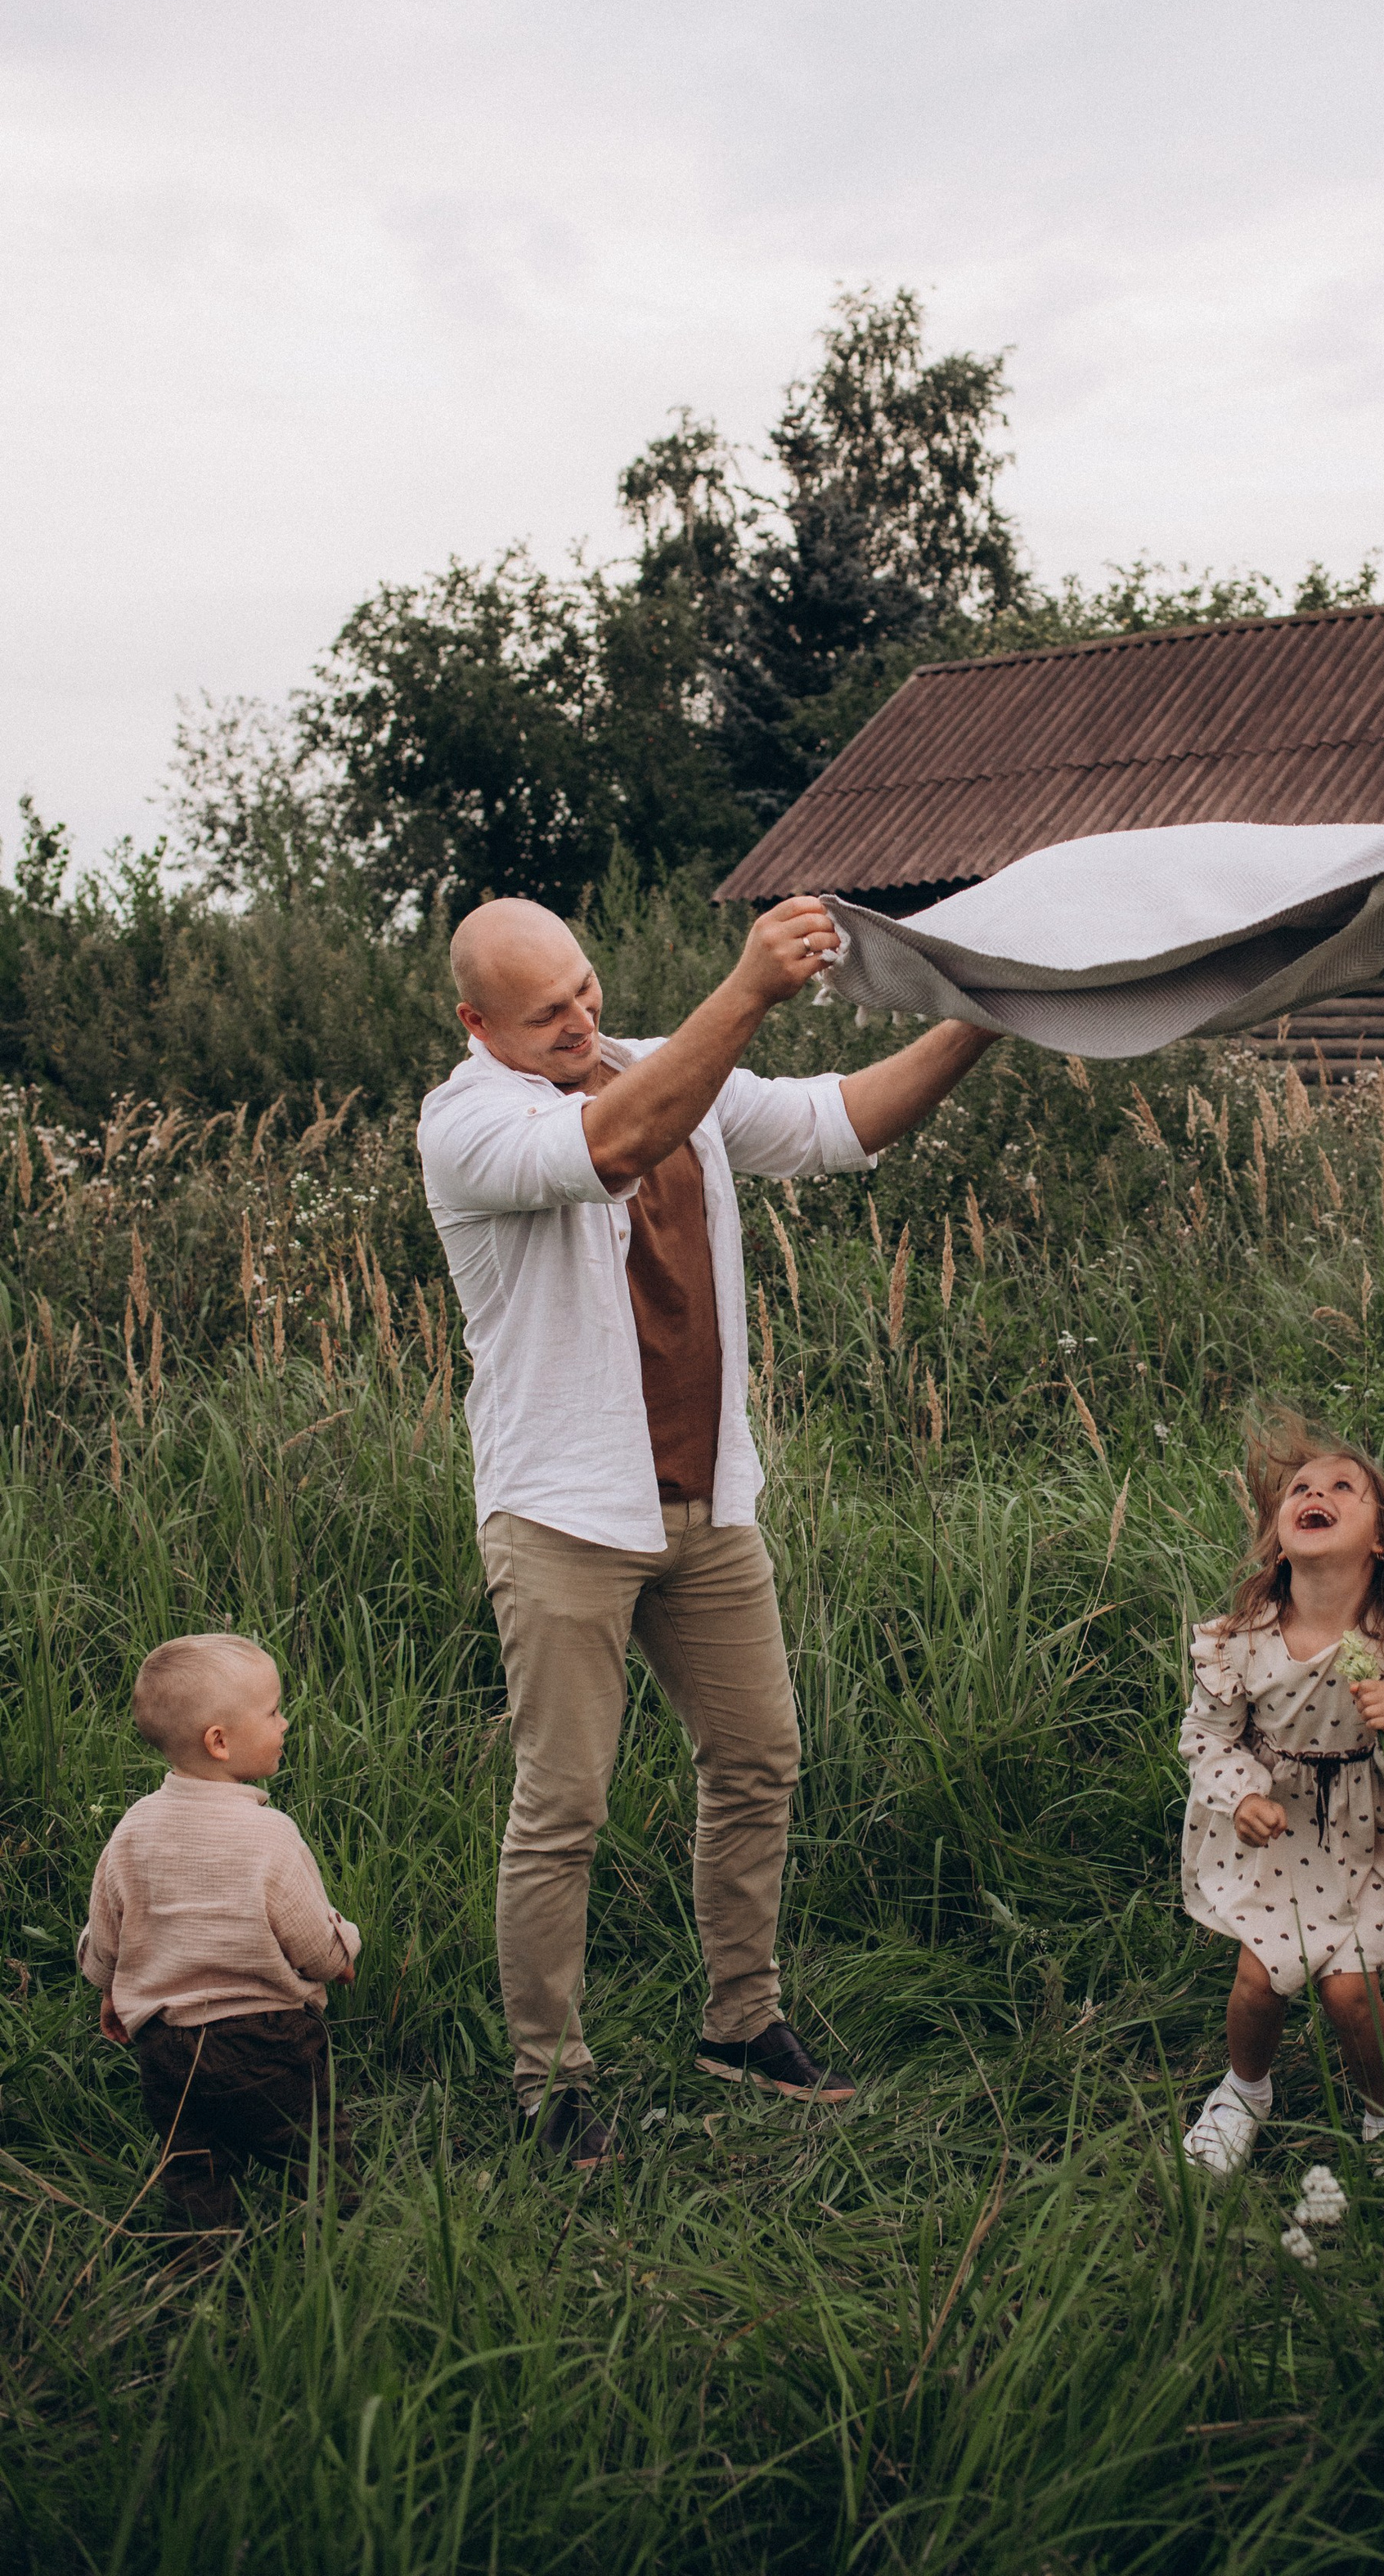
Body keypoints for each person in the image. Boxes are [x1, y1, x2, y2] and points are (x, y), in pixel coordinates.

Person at [418, 891, 991, 2165]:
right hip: (565, 1516)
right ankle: (550, 2081)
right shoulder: (468, 1124)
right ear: (478, 1025)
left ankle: (741, 2022)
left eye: (585, 988)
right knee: (562, 1806)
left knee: (757, 1757)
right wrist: (744, 992)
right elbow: (614, 1144)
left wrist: (982, 1013)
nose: (579, 1019)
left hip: (706, 1500)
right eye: (544, 1012)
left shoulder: (662, 1067)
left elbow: (845, 1121)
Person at [1177, 1413, 1384, 2183]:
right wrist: (1242, 1795)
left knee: (1351, 1995)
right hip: (1276, 1832)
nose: (1316, 1493)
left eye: (1344, 1487)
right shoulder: (1240, 1638)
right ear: (1282, 1535)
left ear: (1380, 1539)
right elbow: (1204, 1737)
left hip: (1367, 1830)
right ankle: (1245, 2091)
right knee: (1259, 1980)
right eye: (1301, 1490)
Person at [79, 1633, 361, 2237]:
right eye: (273, 1711)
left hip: (166, 2044)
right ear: (220, 1741)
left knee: (194, 2163)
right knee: (312, 2150)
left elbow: (107, 1936)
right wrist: (343, 1953)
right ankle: (332, 2251)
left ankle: (200, 2266)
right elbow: (311, 1944)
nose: (286, 1723)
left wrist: (111, 1991)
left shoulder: (132, 1831)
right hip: (269, 2040)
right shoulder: (270, 1836)